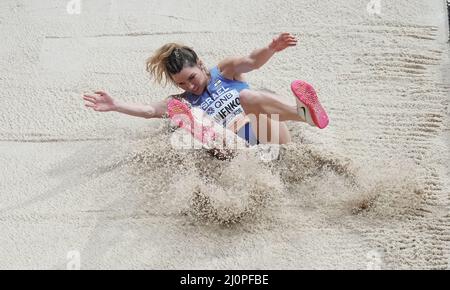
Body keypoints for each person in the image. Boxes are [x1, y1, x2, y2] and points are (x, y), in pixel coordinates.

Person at [83, 32, 329, 147]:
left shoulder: (226, 71)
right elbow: (149, 110)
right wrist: (115, 105)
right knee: (191, 119)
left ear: (200, 64)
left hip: (270, 137)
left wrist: (271, 48)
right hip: (238, 153)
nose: (190, 86)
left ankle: (305, 114)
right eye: (181, 83)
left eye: (192, 78)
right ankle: (200, 129)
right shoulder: (182, 101)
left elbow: (252, 61)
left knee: (247, 97)